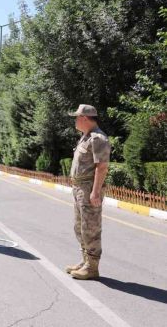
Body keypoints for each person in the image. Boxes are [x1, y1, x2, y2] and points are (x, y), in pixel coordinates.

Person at [65, 104, 110, 280]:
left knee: (90, 228)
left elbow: (102, 167)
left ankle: (92, 267)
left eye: (77, 117)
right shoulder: (85, 137)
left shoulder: (98, 138)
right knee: (79, 227)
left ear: (84, 118)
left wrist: (95, 192)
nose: (75, 120)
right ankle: (85, 261)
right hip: (79, 189)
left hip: (88, 188)